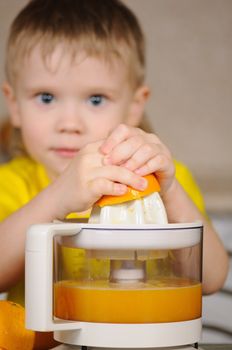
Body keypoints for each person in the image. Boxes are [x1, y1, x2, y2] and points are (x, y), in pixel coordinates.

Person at [0, 0, 228, 308]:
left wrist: (170, 191)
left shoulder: (167, 181)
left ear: (135, 105)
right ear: (14, 105)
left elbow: (213, 279)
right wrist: (56, 198)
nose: (70, 124)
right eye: (46, 97)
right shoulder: (11, 183)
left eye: (96, 99)